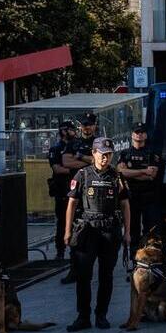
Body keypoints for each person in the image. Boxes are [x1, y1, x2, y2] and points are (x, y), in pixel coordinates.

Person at [64, 137, 130, 331]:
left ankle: (101, 314)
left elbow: (126, 204)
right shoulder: (82, 175)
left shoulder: (117, 176)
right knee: (83, 276)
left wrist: (127, 232)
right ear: (93, 153)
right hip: (87, 230)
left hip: (110, 229)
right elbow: (72, 204)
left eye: (109, 155)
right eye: (102, 154)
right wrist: (67, 231)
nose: (105, 158)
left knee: (106, 275)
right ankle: (83, 317)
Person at [59, 112, 100, 284]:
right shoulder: (73, 143)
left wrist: (81, 157)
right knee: (76, 234)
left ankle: (92, 268)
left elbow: (101, 162)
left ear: (94, 125)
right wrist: (90, 161)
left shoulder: (99, 143)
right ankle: (74, 270)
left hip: (95, 194)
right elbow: (66, 162)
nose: (87, 127)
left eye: (89, 124)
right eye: (84, 124)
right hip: (77, 192)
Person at [116, 123, 164, 255]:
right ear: (132, 134)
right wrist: (143, 171)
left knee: (151, 230)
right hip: (132, 197)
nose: (139, 134)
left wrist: (130, 172)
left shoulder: (152, 153)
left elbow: (152, 175)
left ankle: (150, 258)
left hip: (149, 197)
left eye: (142, 132)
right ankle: (134, 258)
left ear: (146, 135)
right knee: (133, 229)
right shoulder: (125, 154)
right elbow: (121, 173)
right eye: (137, 132)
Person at [47, 120, 77, 271]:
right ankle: (60, 251)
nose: (74, 132)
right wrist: (75, 169)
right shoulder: (55, 149)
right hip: (62, 190)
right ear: (64, 131)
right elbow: (57, 169)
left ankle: (76, 251)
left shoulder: (76, 146)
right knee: (62, 222)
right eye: (71, 130)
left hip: (76, 190)